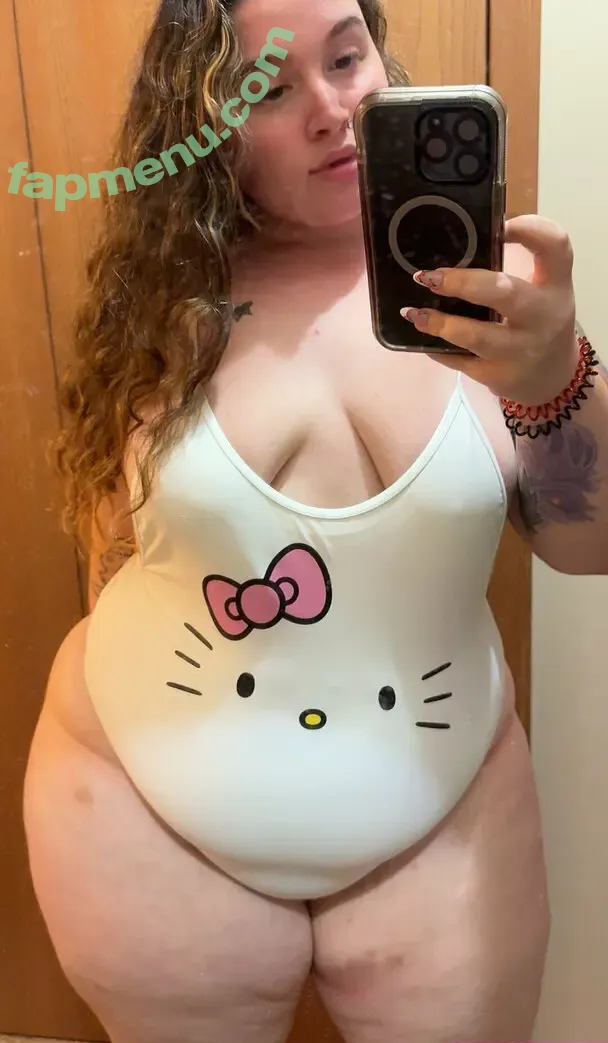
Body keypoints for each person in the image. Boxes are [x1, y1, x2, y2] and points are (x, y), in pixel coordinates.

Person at [22, 0, 608, 1041]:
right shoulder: (164, 301)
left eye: (346, 56)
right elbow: (120, 542)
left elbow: (588, 547)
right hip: (141, 812)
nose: (333, 110)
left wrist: (556, 375)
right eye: (268, 88)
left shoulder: (501, 296)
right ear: (204, 121)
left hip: (443, 813)